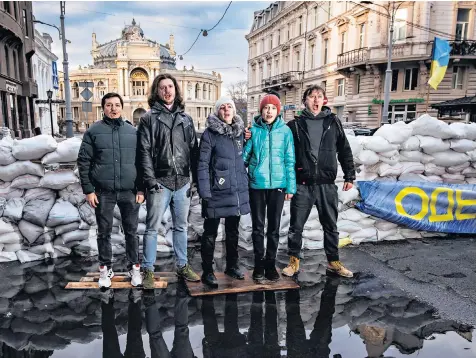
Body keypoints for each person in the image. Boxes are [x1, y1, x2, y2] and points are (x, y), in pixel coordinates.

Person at [283, 85, 355, 278]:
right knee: (296, 226)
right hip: (302, 184)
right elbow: (282, 151)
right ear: (305, 100)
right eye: (312, 96)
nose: (315, 100)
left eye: (319, 96)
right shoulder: (294, 125)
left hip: (326, 185)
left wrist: (350, 175)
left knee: (331, 225)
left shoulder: (333, 122)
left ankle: (333, 262)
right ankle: (293, 261)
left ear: (324, 100)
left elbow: (345, 150)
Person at [137, 74, 200, 288]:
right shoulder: (148, 118)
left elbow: (194, 151)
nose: (167, 91)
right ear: (156, 91)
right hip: (159, 182)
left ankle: (182, 266)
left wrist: (193, 181)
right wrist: (150, 180)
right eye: (162, 87)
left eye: (170, 87)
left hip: (182, 181)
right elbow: (143, 152)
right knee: (152, 228)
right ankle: (148, 270)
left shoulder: (186, 119)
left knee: (181, 227)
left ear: (176, 90)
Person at [77, 92, 144, 288]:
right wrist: (89, 190)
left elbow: (141, 162)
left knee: (131, 231)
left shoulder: (133, 132)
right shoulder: (93, 132)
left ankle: (134, 267)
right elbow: (84, 161)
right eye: (109, 105)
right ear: (103, 108)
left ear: (122, 108)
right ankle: (105, 269)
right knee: (103, 232)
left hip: (129, 191)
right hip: (103, 192)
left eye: (116, 105)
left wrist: (141, 189)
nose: (113, 108)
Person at [197, 97, 250, 288]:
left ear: (234, 111)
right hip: (215, 191)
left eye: (229, 107)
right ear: (217, 111)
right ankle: (208, 271)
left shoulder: (239, 134)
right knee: (210, 232)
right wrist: (204, 191)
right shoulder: (210, 134)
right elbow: (202, 164)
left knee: (232, 231)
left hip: (234, 191)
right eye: (222, 107)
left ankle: (232, 266)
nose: (226, 109)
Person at [243, 94, 296, 282]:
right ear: (261, 110)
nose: (269, 111)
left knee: (273, 227)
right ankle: (258, 264)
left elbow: (290, 160)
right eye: (266, 108)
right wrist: (243, 139)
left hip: (278, 186)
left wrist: (291, 187)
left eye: (273, 108)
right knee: (258, 227)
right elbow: (244, 157)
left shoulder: (285, 131)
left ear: (278, 111)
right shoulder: (253, 131)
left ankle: (270, 264)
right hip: (257, 185)